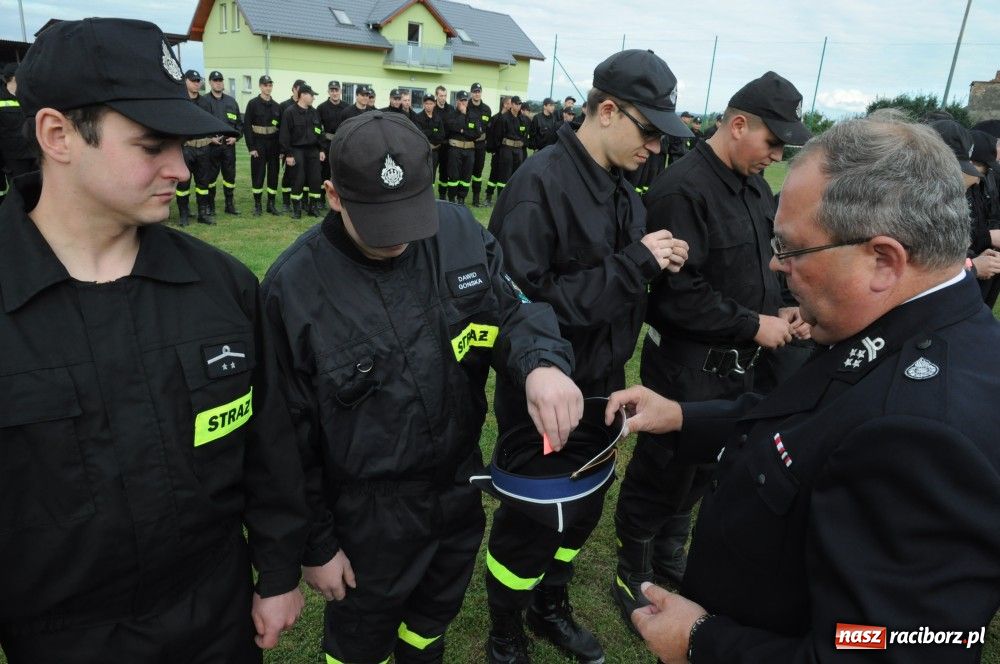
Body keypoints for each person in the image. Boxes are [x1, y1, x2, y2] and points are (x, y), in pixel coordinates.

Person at [608, 110, 1000, 664]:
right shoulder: (902, 324)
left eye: (792, 249)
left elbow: (879, 650)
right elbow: (810, 422)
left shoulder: (925, 434)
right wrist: (682, 416)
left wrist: (701, 642)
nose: (775, 264)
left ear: (883, 261)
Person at [0, 18, 309, 664]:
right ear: (57, 134)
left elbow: (270, 445)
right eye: (151, 146)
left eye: (182, 144)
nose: (183, 171)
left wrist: (278, 570)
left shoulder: (221, 288)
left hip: (219, 624)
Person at [262, 111, 582, 664]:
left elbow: (514, 313)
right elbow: (285, 441)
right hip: (368, 518)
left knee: (430, 622)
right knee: (362, 642)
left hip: (456, 490)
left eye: (412, 216)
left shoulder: (459, 232)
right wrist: (316, 545)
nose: (401, 240)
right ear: (334, 196)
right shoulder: (293, 291)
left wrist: (541, 364)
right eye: (382, 225)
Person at [484, 49, 692, 664]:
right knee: (534, 521)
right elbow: (522, 305)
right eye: (649, 131)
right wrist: (635, 265)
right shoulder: (538, 186)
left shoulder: (624, 189)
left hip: (604, 383)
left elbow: (613, 286)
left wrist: (656, 264)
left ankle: (550, 607)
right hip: (544, 389)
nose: (656, 148)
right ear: (607, 110)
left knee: (581, 514)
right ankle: (504, 632)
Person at [611, 73, 812, 625]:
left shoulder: (754, 186)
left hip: (739, 364)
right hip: (685, 364)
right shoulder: (684, 188)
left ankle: (671, 553)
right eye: (772, 142)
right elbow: (676, 294)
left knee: (709, 462)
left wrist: (783, 306)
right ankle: (633, 566)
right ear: (738, 124)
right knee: (664, 465)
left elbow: (761, 264)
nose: (775, 156)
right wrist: (753, 325)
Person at [197, 70, 243, 217]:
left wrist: (236, 137)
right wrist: (209, 138)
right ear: (210, 83)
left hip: (228, 146)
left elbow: (239, 124)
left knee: (230, 177)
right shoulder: (203, 101)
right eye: (215, 81)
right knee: (210, 178)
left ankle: (229, 205)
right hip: (211, 146)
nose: (218, 83)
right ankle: (210, 205)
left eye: (220, 81)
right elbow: (199, 124)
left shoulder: (231, 101)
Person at [279, 83, 325, 219]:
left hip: (313, 151)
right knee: (298, 179)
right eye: (312, 95)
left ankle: (313, 208)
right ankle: (296, 209)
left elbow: (319, 132)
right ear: (303, 95)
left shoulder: (314, 112)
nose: (313, 98)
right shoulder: (290, 112)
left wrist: (322, 149)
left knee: (316, 179)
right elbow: (284, 135)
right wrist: (288, 154)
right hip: (296, 150)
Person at [244, 75, 282, 216]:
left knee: (273, 174)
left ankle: (270, 204)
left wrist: (281, 149)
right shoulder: (253, 104)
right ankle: (257, 205)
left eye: (270, 85)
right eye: (265, 85)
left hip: (273, 144)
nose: (268, 88)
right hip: (258, 144)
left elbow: (280, 129)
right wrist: (251, 147)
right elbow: (247, 127)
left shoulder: (277, 106)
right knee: (258, 174)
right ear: (260, 86)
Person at [174, 69, 207, 226]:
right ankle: (184, 215)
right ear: (185, 81)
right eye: (193, 81)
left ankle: (202, 214)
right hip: (185, 149)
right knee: (183, 184)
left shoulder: (205, 102)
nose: (196, 83)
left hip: (203, 148)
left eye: (198, 81)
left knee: (203, 184)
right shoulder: (180, 101)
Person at [0, 62, 35, 205]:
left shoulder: (28, 95)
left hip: (34, 152)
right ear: (14, 77)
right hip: (14, 157)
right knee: (20, 191)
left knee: (36, 187)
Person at [444, 90, 478, 205]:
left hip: (469, 150)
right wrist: (463, 120)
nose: (464, 103)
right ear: (457, 101)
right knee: (454, 175)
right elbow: (451, 126)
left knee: (466, 175)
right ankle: (452, 198)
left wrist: (464, 130)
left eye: (465, 100)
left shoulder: (473, 115)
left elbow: (477, 133)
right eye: (462, 100)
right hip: (455, 149)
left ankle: (461, 198)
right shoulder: (451, 114)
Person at [279, 79, 306, 212]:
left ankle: (299, 200)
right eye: (300, 89)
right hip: (287, 147)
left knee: (300, 174)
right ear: (294, 89)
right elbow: (281, 130)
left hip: (300, 147)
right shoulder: (284, 105)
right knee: (288, 173)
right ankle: (285, 201)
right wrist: (283, 150)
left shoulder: (306, 106)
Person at [492, 96, 528, 194]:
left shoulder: (523, 119)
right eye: (516, 104)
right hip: (506, 149)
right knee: (504, 174)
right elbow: (498, 136)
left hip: (518, 150)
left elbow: (525, 136)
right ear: (511, 104)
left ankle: (512, 196)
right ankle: (501, 196)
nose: (518, 106)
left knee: (516, 174)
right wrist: (501, 150)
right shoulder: (504, 118)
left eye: (520, 104)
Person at [483, 95, 510, 207]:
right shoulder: (495, 118)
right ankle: (488, 197)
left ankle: (501, 199)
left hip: (507, 153)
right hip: (497, 152)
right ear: (505, 104)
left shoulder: (512, 119)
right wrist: (493, 150)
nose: (512, 105)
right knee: (493, 175)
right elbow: (490, 136)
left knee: (504, 176)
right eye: (510, 103)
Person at [468, 82, 492, 207]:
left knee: (478, 173)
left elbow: (489, 129)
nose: (477, 94)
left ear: (481, 93)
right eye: (475, 91)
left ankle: (476, 199)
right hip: (468, 145)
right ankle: (460, 198)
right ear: (471, 93)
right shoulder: (466, 107)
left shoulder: (487, 109)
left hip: (481, 145)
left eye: (479, 91)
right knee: (466, 172)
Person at [413, 93, 445, 174]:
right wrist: (434, 132)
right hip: (422, 152)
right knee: (421, 174)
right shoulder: (418, 117)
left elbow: (441, 136)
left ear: (434, 104)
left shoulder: (438, 118)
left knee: (432, 174)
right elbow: (419, 135)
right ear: (423, 104)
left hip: (434, 152)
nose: (429, 106)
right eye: (426, 103)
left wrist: (428, 132)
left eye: (431, 103)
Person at [434, 85, 452, 198]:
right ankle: (428, 196)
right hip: (434, 146)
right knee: (431, 171)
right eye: (441, 96)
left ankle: (442, 195)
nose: (443, 98)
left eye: (445, 96)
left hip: (447, 146)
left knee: (444, 172)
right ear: (436, 96)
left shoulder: (451, 109)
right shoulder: (432, 108)